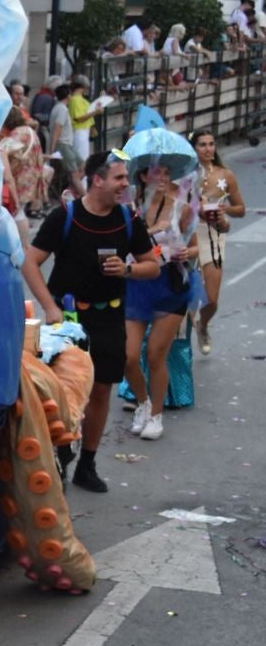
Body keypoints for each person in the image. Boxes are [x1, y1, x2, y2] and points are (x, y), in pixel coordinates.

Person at [21, 150, 162, 493]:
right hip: (68, 320)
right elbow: (29, 262)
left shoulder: (129, 219)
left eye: (126, 178)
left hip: (111, 315)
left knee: (101, 391)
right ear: (97, 179)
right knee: (62, 394)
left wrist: (127, 269)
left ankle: (87, 464)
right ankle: (58, 461)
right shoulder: (64, 217)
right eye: (119, 178)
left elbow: (153, 266)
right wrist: (49, 308)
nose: (125, 185)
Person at [121, 161, 200, 439]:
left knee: (155, 354)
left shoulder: (182, 208)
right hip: (138, 284)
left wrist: (185, 254)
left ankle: (156, 416)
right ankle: (142, 403)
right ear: (143, 176)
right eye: (157, 173)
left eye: (168, 173)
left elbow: (195, 247)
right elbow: (123, 244)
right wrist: (154, 230)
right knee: (129, 355)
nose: (164, 178)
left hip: (171, 285)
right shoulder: (129, 210)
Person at [189, 129, 244, 354]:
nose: (208, 148)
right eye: (202, 144)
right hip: (190, 234)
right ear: (194, 148)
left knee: (212, 299)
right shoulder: (185, 175)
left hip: (214, 234)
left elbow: (241, 209)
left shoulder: (225, 175)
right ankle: (180, 345)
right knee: (186, 296)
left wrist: (225, 209)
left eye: (211, 144)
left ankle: (203, 325)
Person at [0, 107, 47, 220]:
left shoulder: (17, 134)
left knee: (17, 213)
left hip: (20, 179)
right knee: (20, 212)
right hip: (32, 176)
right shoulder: (29, 131)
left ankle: (21, 237)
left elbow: (3, 151)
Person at [67, 76, 97, 163]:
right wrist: (95, 112)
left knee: (84, 157)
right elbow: (79, 118)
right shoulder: (76, 100)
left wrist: (92, 127)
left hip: (84, 131)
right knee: (81, 158)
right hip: (79, 131)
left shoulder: (81, 100)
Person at [47, 82, 76, 168]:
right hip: (63, 144)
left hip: (66, 144)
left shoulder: (59, 108)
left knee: (79, 164)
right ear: (67, 96)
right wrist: (52, 149)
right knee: (74, 170)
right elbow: (58, 128)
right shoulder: (62, 109)